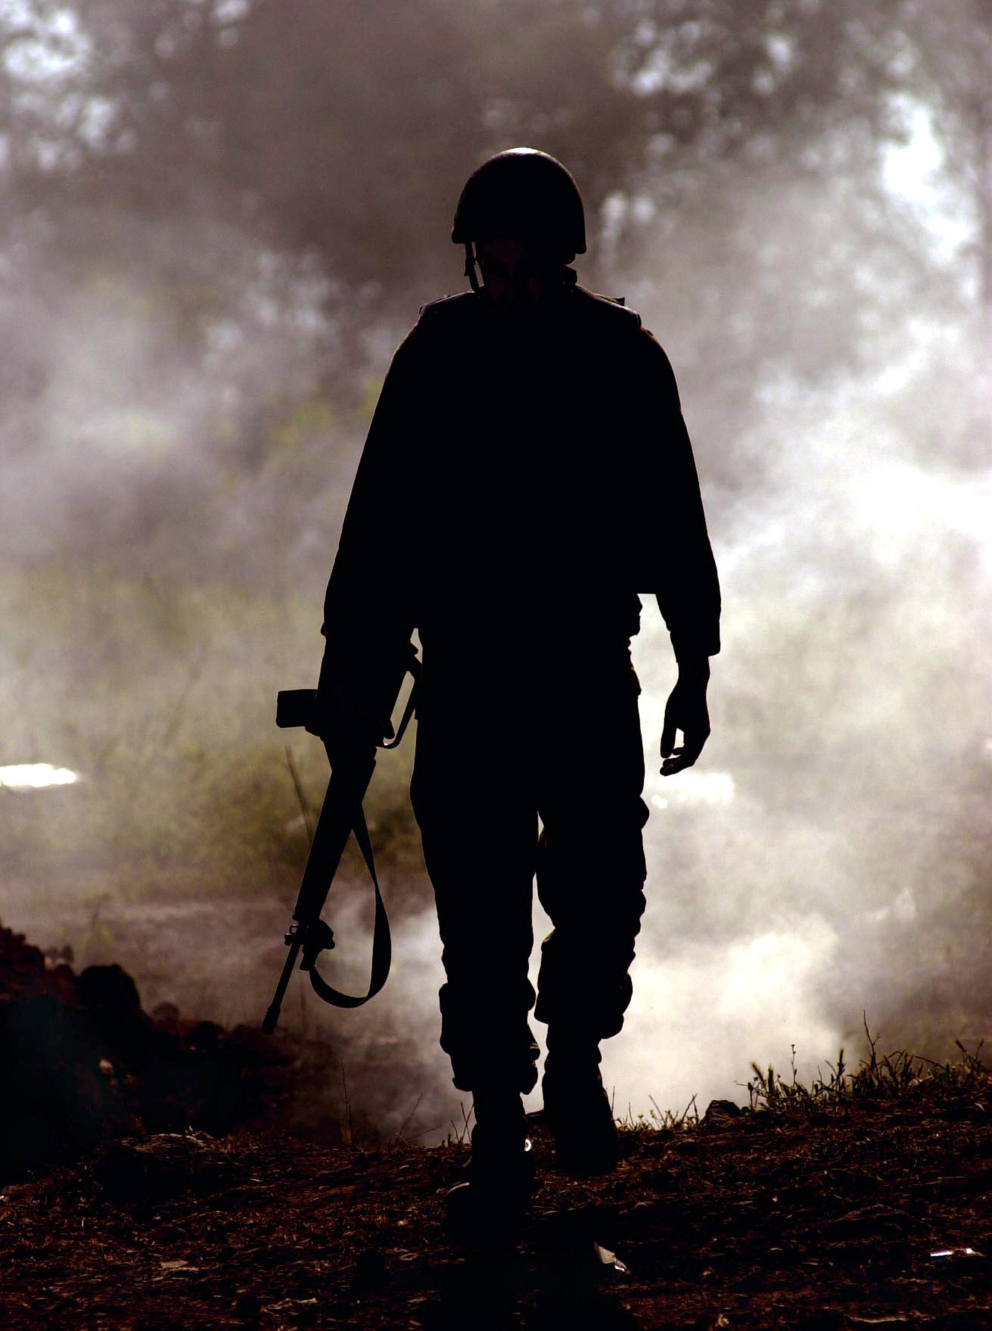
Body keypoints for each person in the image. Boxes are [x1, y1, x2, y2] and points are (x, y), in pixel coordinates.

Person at [313, 148, 720, 1228]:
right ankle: (500, 1123)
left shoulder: (622, 360)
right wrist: (351, 667)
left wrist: (695, 659)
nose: (515, 287)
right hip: (469, 680)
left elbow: (673, 521)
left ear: (568, 262)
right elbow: (379, 525)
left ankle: (575, 1057)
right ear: (471, 261)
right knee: (481, 915)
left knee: (599, 886)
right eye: (496, 269)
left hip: (586, 672)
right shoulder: (436, 356)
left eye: (533, 269)